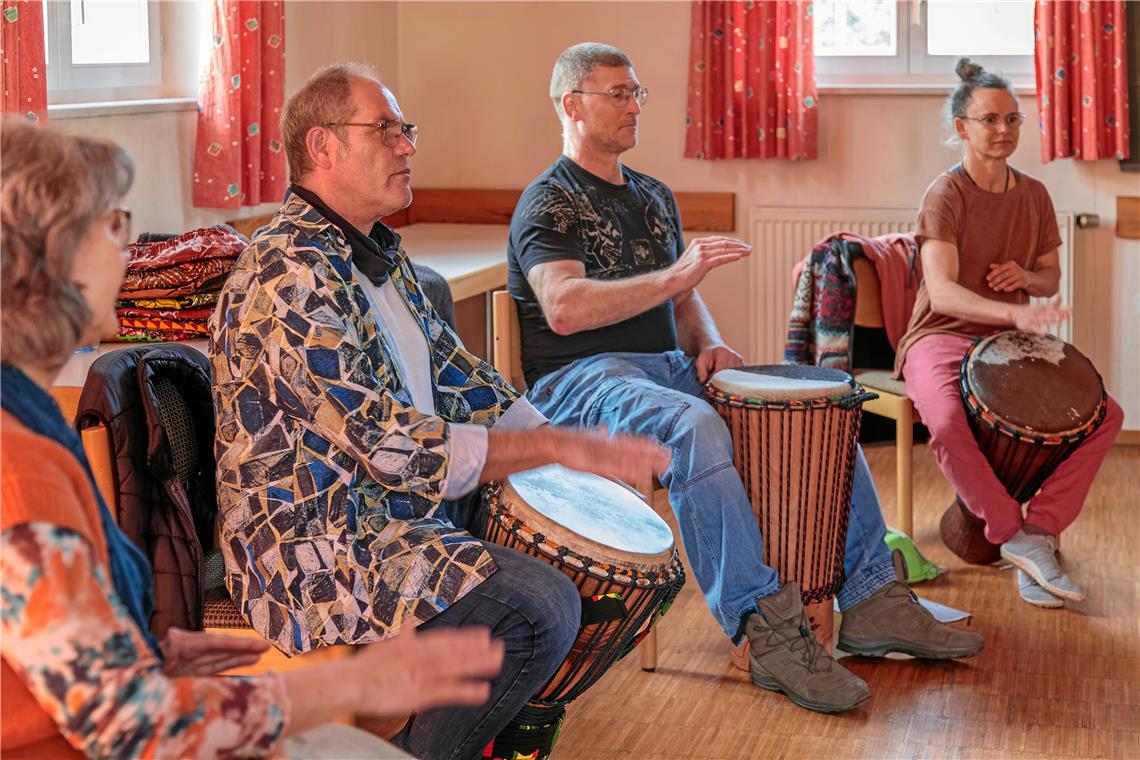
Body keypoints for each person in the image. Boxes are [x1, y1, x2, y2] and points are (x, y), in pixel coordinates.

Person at [0, 121, 505, 759]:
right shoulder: (19, 471)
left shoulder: (21, 424)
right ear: (49, 260)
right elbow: (131, 727)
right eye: (111, 224)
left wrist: (162, 656)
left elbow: (50, 655)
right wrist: (350, 682)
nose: (129, 251)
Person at [508, 42, 985, 716]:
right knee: (693, 426)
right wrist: (680, 277)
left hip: (668, 371)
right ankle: (764, 627)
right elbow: (562, 308)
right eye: (619, 92)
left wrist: (712, 343)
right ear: (572, 105)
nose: (634, 105)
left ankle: (874, 596)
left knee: (817, 406)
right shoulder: (547, 202)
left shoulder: (651, 196)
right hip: (580, 381)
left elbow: (681, 303)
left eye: (638, 92)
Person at [209, 64, 669, 759]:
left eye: (406, 129)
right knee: (536, 609)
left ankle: (487, 736)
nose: (407, 146)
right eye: (386, 129)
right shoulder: (288, 273)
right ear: (323, 147)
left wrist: (569, 447)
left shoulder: (380, 258)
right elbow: (392, 446)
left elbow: (463, 379)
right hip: (316, 550)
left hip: (398, 516)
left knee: (596, 572)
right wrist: (555, 452)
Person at [894, 58, 1124, 608]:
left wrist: (1025, 280)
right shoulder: (944, 195)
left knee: (1105, 415)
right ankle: (1011, 534)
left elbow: (1050, 278)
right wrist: (1015, 313)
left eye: (1013, 120)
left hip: (1009, 347)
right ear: (963, 128)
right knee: (947, 420)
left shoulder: (1036, 195)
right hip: (941, 336)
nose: (1004, 131)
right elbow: (944, 293)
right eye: (990, 120)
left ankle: (1040, 532)